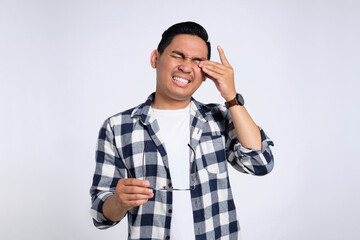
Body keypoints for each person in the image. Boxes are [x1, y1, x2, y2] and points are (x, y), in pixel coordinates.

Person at [90, 21, 274, 240]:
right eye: (178, 56)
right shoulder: (117, 127)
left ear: (205, 73)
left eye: (197, 61)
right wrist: (119, 202)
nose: (186, 67)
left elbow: (260, 163)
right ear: (155, 59)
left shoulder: (218, 118)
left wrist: (231, 97)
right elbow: (100, 215)